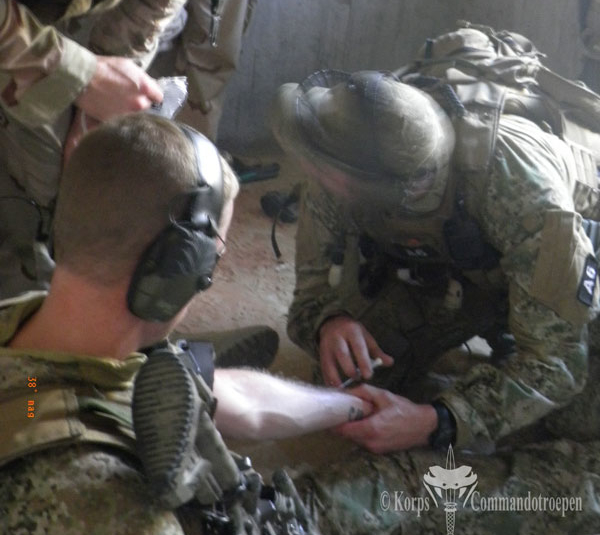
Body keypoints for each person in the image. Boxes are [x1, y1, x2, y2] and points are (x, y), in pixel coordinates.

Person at [264, 23, 600, 533]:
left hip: (565, 279)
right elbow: (310, 297)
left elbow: (557, 365)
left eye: (328, 176)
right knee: (353, 383)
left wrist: (438, 421)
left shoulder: (525, 192)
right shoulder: (347, 160)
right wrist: (331, 322)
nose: (314, 179)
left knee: (568, 424)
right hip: (468, 275)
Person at [0, 112, 373, 535]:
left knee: (176, 371)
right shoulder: (114, 507)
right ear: (176, 273)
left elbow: (241, 401)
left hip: (36, 402)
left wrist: (350, 403)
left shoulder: (26, 330)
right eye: (212, 262)